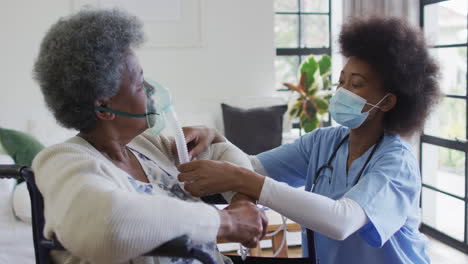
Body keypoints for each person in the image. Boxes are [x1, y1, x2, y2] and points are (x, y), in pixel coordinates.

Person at [177, 16, 441, 264]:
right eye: (341, 82)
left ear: (388, 101)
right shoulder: (323, 142)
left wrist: (244, 180)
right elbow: (250, 167)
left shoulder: (397, 164)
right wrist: (215, 138)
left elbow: (343, 221)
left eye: (356, 84)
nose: (341, 92)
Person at [32, 9, 266, 264]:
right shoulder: (62, 161)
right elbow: (112, 225)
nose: (152, 90)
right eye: (140, 83)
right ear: (103, 107)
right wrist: (228, 222)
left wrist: (243, 203)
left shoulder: (147, 145)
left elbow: (224, 157)